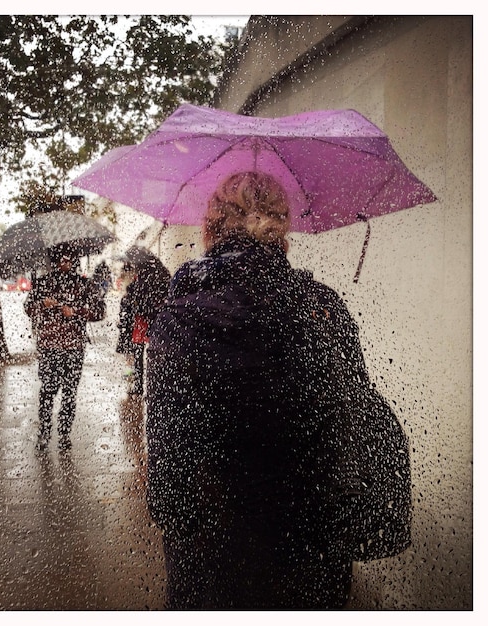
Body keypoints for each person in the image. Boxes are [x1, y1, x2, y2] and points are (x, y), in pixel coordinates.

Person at [145, 171, 377, 610]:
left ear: (210, 230)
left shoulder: (180, 315)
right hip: (310, 539)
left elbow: (168, 446)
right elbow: (353, 423)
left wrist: (177, 523)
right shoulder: (323, 307)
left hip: (212, 545)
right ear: (282, 230)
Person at [24, 244, 105, 451]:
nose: (64, 263)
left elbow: (100, 311)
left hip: (74, 347)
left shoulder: (84, 284)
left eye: (69, 259)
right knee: (48, 391)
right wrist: (43, 304)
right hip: (49, 346)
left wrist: (76, 312)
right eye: (60, 259)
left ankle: (64, 434)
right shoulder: (43, 283)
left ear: (75, 261)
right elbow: (28, 308)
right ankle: (44, 432)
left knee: (69, 392)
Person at [116, 250, 170, 396]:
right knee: (157, 354)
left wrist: (130, 293)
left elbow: (139, 300)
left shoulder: (143, 277)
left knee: (137, 353)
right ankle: (157, 387)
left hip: (142, 320)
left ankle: (139, 385)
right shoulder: (164, 274)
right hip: (159, 319)